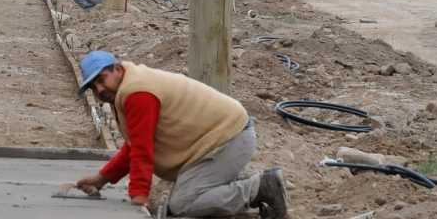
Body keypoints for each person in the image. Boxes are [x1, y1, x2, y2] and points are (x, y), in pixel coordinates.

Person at [72, 51, 289, 219]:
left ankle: (259, 187)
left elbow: (142, 149)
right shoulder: (128, 87)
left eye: (101, 80)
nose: (99, 90)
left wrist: (139, 199)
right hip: (215, 143)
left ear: (118, 69)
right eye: (93, 87)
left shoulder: (137, 93)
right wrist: (102, 179)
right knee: (184, 199)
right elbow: (134, 144)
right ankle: (233, 183)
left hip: (229, 139)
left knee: (182, 205)